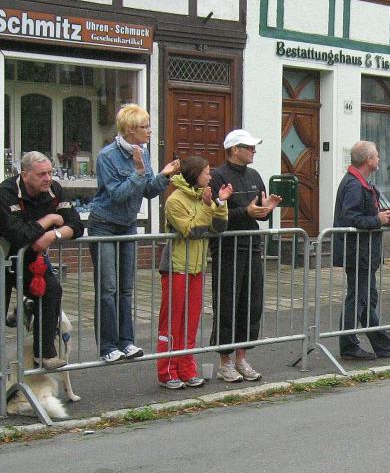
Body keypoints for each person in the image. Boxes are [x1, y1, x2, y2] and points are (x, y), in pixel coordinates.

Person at [90, 104, 181, 363]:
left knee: (126, 288)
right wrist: (139, 173)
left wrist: (164, 176)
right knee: (108, 288)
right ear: (130, 129)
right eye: (144, 126)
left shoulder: (144, 152)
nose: (150, 131)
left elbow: (149, 191)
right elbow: (117, 194)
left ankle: (127, 342)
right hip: (104, 223)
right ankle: (108, 346)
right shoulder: (107, 156)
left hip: (128, 223)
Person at [209, 129, 281, 383]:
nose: (254, 151)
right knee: (227, 303)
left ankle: (241, 358)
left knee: (251, 304)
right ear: (234, 149)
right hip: (228, 249)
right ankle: (225, 362)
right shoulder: (218, 176)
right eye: (249, 147)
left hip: (252, 246)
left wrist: (267, 209)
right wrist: (247, 213)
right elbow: (216, 214)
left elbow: (259, 212)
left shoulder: (254, 175)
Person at [0, 151, 84, 369]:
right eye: (41, 174)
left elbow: (76, 225)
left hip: (28, 258)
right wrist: (50, 219)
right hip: (3, 258)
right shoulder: (6, 192)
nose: (48, 178)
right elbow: (18, 234)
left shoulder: (54, 189)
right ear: (25, 175)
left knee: (52, 290)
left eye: (50, 172)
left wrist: (52, 235)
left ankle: (44, 353)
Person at [156, 156, 231, 389]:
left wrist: (220, 203)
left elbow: (218, 228)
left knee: (190, 322)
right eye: (207, 172)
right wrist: (208, 207)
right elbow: (192, 230)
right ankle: (167, 371)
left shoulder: (203, 197)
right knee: (172, 323)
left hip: (198, 267)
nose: (210, 176)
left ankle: (187, 369)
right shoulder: (175, 200)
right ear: (195, 174)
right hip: (177, 267)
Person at [333, 141, 390, 360]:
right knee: (358, 299)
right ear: (368, 160)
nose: (379, 159)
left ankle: (383, 345)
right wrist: (378, 220)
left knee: (367, 300)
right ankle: (349, 346)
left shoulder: (362, 183)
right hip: (357, 252)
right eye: (376, 156)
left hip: (364, 252)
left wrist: (386, 219)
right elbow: (351, 218)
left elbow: (366, 215)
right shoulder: (354, 185)